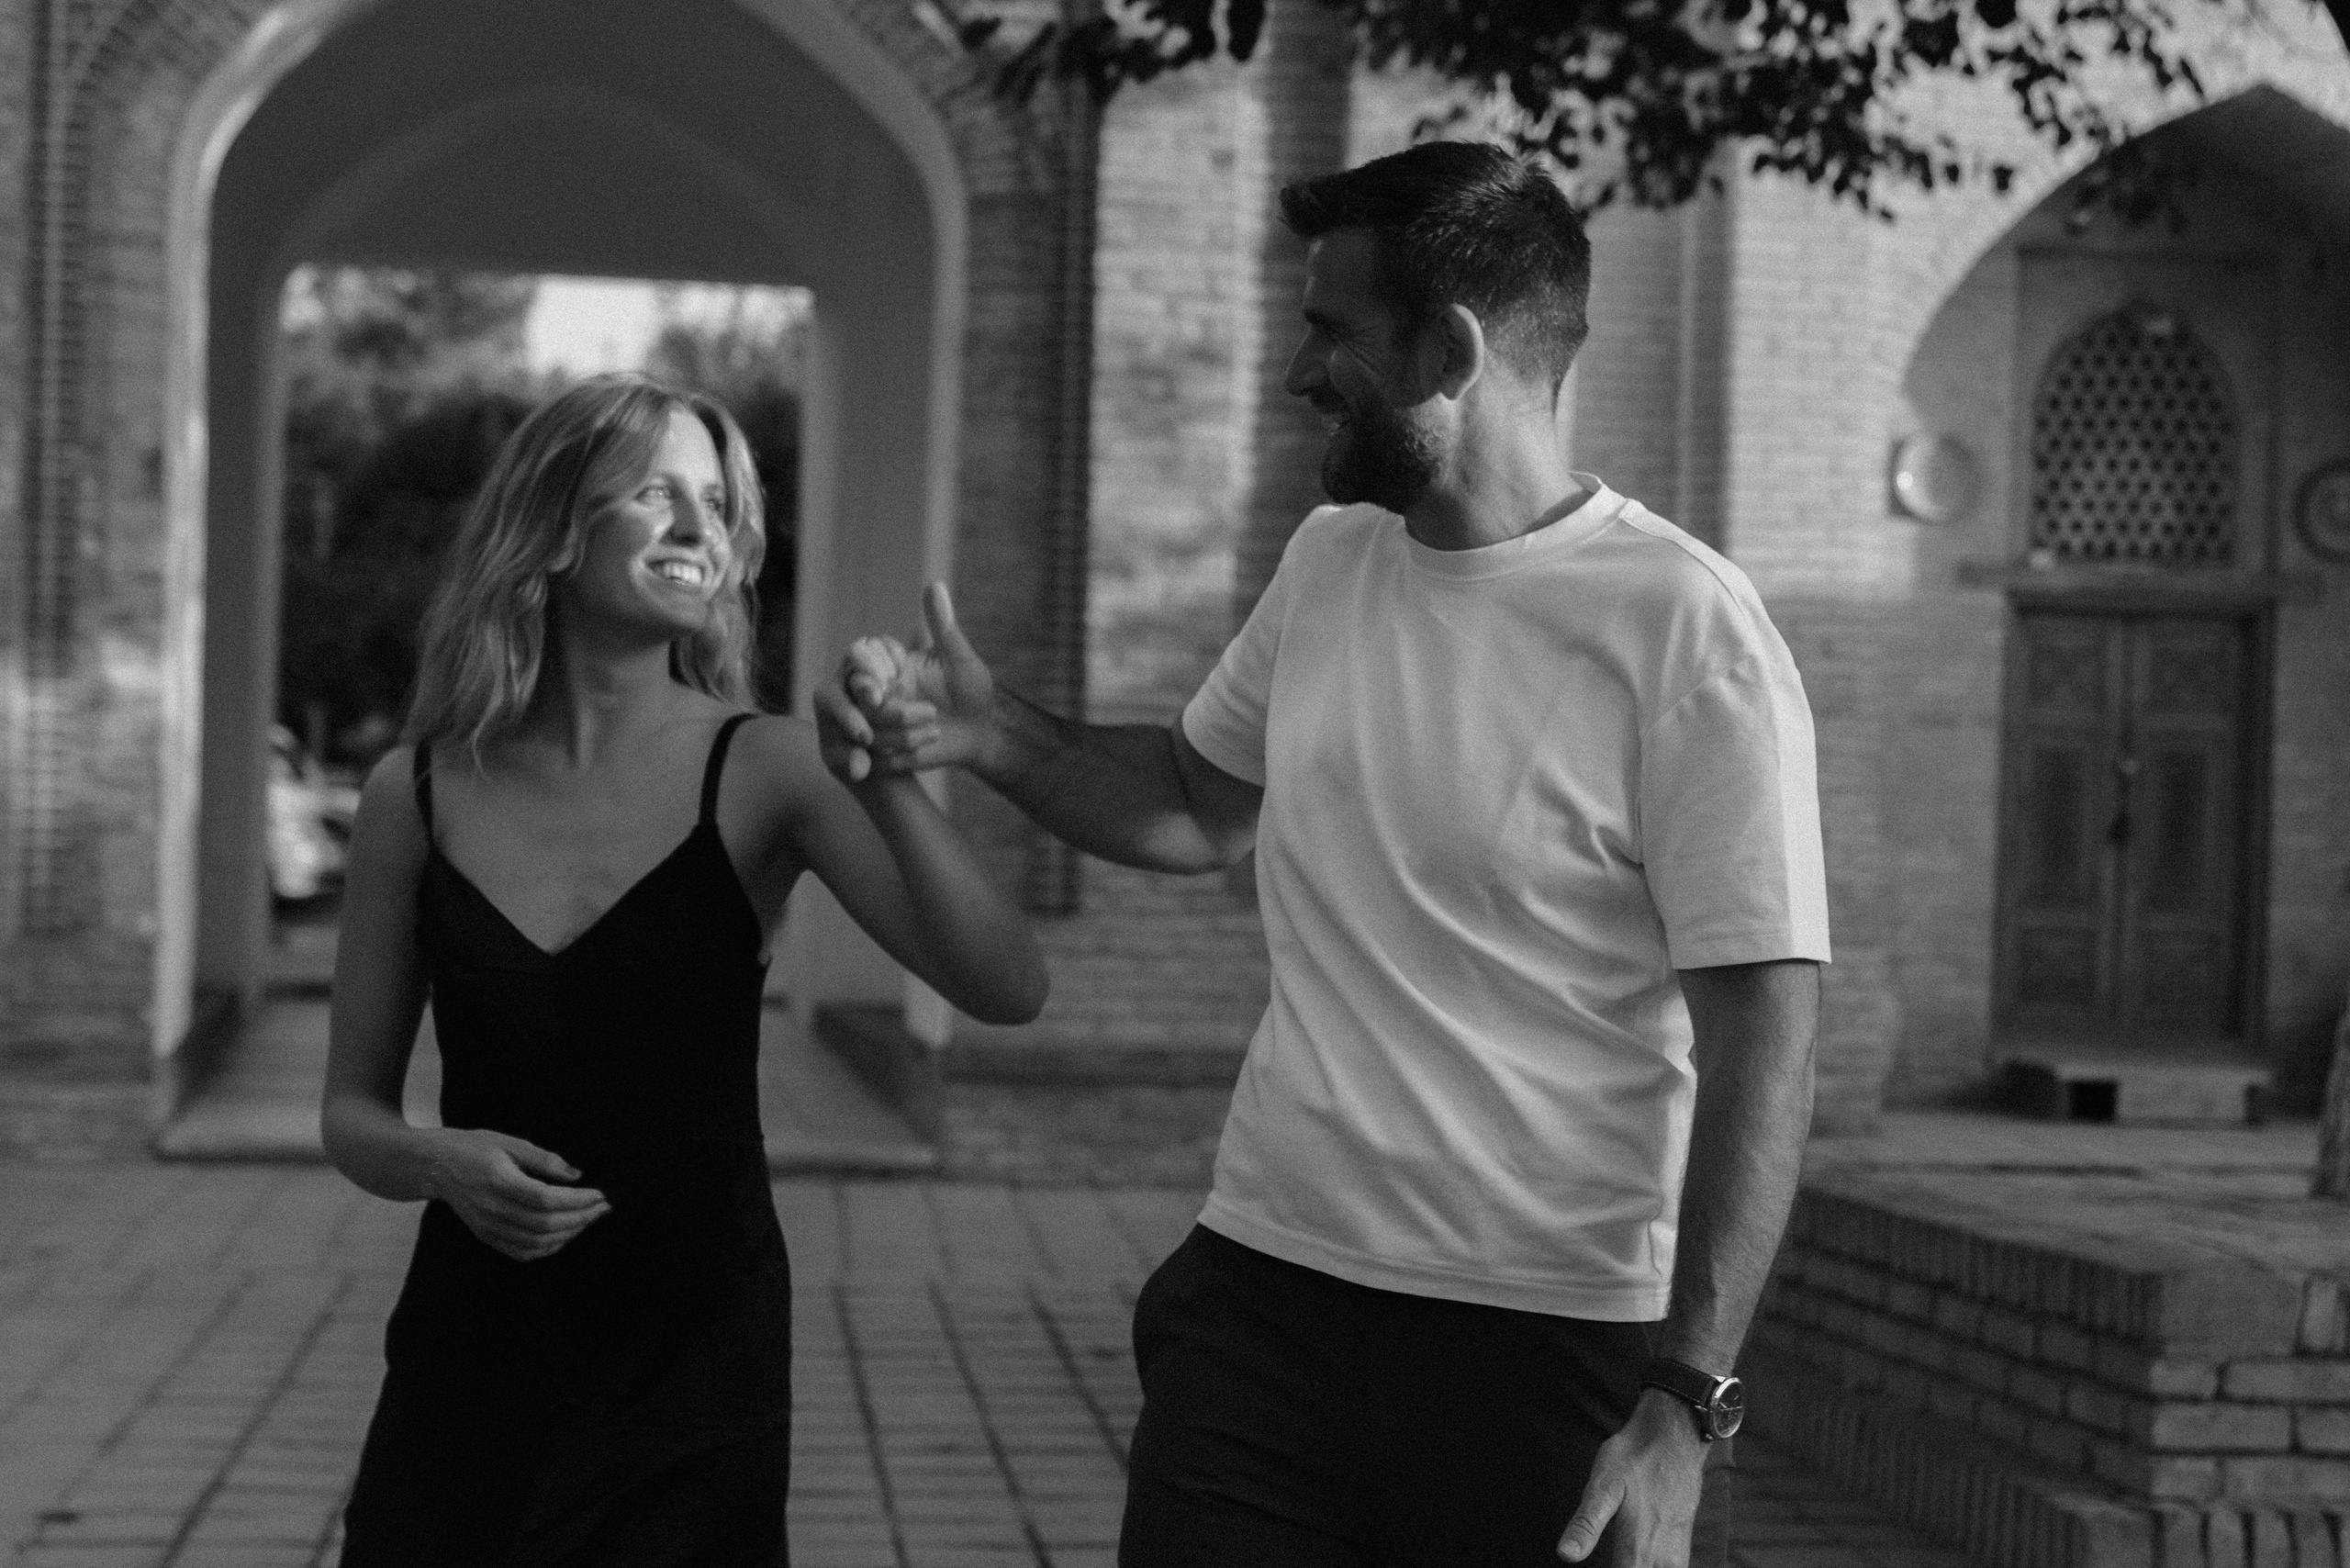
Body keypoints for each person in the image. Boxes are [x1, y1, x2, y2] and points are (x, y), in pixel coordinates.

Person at [823, 141, 1828, 1568]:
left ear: (1451, 348)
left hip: (1542, 1341)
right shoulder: (1332, 563)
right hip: (1261, 1306)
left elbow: (1765, 1037)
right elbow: (1193, 798)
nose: (1297, 371)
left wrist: (1684, 1400)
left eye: (1329, 330)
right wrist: (988, 735)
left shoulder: (1685, 630)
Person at [321, 372, 1046, 1567]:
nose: (700, 529)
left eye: (717, 503)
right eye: (655, 494)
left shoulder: (767, 773)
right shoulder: (418, 792)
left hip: (691, 1368)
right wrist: (432, 1160)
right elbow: (350, 1112)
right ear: (553, 525)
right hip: (469, 1359)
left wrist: (889, 788)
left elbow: (1008, 988)